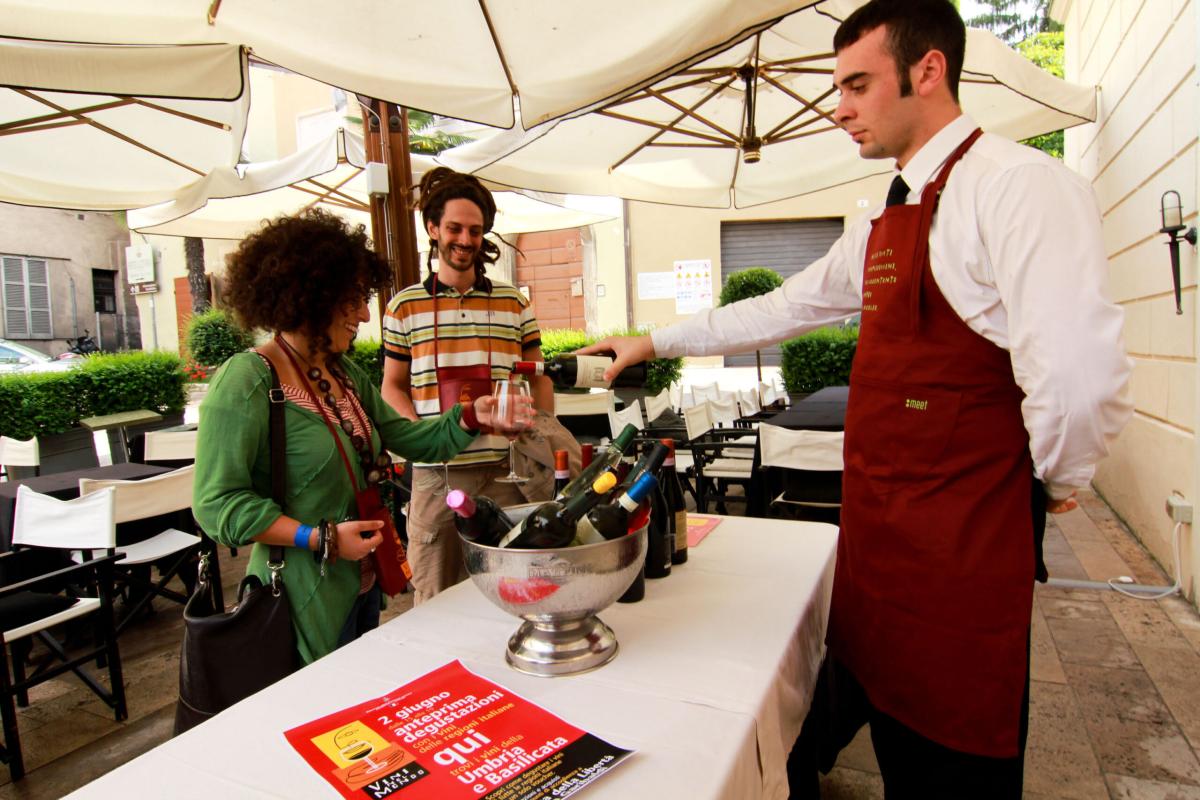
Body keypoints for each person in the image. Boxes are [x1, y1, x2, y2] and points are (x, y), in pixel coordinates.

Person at [579, 1, 1132, 796]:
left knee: (955, 759)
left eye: (858, 84)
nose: (839, 107)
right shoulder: (882, 215)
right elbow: (786, 306)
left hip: (962, 548)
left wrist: (1058, 479)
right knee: (886, 735)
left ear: (929, 70)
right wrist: (655, 342)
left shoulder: (1021, 188)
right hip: (877, 537)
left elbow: (1076, 377)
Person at [194, 209, 511, 666]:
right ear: (311, 295)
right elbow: (216, 505)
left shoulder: (342, 374)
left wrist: (469, 416)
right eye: (354, 298)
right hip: (299, 597)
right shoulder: (246, 380)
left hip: (361, 585)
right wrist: (319, 538)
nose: (365, 313)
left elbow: (412, 439)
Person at [382, 167, 554, 604]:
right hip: (438, 476)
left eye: (475, 231)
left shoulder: (514, 302)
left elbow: (538, 378)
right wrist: (418, 438)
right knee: (435, 593)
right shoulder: (403, 307)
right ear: (432, 229)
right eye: (454, 228)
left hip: (506, 470)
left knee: (513, 592)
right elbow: (393, 386)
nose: (464, 239)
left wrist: (537, 425)